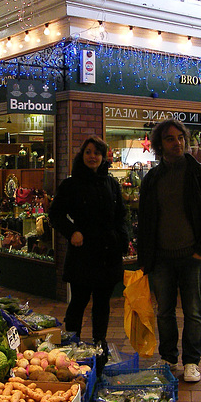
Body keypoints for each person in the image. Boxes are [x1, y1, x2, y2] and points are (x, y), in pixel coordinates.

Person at [137, 119, 201, 382]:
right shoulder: (152, 179)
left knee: (193, 310)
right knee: (164, 311)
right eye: (170, 139)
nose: (177, 143)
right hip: (162, 257)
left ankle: (191, 362)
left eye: (180, 138)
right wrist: (145, 260)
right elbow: (146, 221)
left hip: (191, 257)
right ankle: (168, 358)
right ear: (159, 145)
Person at [48, 135, 129, 356]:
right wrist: (71, 231)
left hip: (108, 252)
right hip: (83, 252)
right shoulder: (71, 184)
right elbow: (55, 214)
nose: (92, 156)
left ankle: (99, 344)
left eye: (97, 153)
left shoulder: (111, 183)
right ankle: (72, 342)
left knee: (103, 302)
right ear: (82, 155)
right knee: (79, 300)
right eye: (88, 152)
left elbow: (121, 215)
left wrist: (124, 240)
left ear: (103, 157)